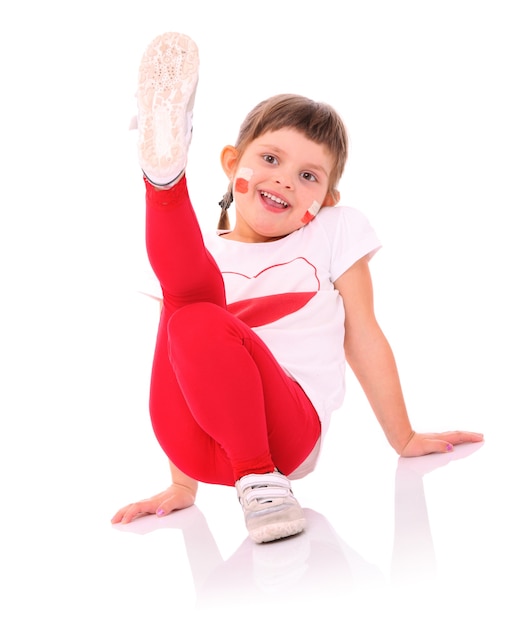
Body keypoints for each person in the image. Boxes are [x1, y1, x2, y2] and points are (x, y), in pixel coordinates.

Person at [111, 32, 483, 543]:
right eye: (269, 160)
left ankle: (259, 477)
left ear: (326, 199)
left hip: (284, 437)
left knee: (196, 308)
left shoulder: (331, 230)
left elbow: (363, 335)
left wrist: (404, 437)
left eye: (308, 175)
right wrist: (182, 486)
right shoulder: (201, 256)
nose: (286, 179)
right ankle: (164, 176)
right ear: (230, 163)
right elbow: (178, 365)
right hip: (194, 438)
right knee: (187, 305)